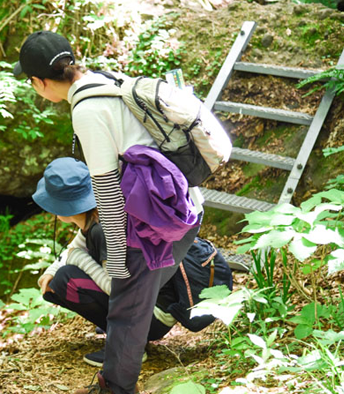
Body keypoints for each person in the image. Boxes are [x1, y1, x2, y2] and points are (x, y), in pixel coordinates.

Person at [14, 31, 205, 394]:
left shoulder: (87, 109)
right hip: (182, 203)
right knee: (128, 303)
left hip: (156, 218)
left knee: (126, 305)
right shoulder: (106, 80)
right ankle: (115, 382)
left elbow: (106, 191)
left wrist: (117, 258)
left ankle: (116, 387)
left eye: (30, 82)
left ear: (40, 82)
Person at [33, 158, 232, 368]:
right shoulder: (105, 211)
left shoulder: (102, 230)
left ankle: (126, 345)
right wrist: (53, 269)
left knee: (66, 280)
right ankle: (118, 329)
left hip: (152, 315)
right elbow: (78, 244)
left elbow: (121, 288)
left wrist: (76, 260)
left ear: (62, 209)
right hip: (149, 307)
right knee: (56, 280)